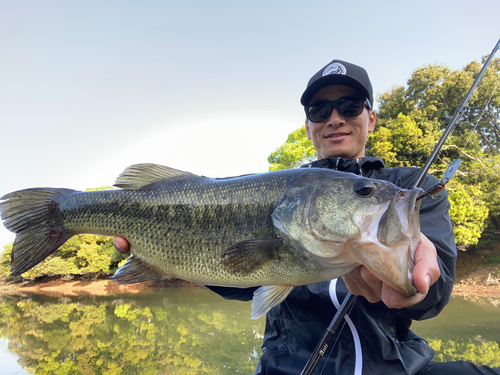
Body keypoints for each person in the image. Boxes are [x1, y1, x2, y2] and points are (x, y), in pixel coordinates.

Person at [113, 60, 500, 375]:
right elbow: (243, 280)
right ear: (309, 124)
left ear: (372, 118)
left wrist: (415, 282)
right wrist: (170, 259)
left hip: (395, 364)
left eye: (349, 106)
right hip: (288, 366)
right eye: (320, 109)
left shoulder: (408, 188)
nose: (335, 118)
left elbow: (434, 292)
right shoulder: (277, 189)